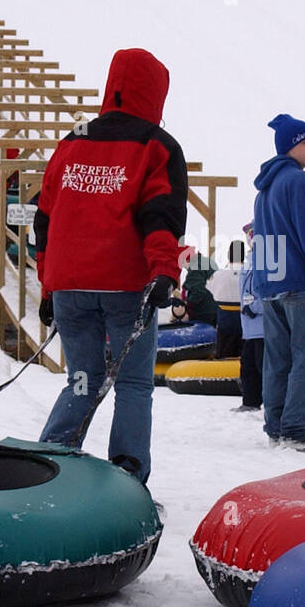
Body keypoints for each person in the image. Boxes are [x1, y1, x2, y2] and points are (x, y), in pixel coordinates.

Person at [35, 47, 188, 485]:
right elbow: (160, 215)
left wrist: (49, 287)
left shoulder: (73, 141)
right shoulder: (157, 146)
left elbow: (47, 216)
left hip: (70, 284)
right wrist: (164, 272)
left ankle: (48, 469)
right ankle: (127, 481)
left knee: (82, 379)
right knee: (134, 385)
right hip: (125, 286)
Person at [252, 114, 305, 450]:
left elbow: (265, 239)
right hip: (302, 285)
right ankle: (299, 427)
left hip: (273, 286)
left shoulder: (265, 190)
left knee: (278, 359)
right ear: (290, 146)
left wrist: (268, 282)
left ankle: (276, 423)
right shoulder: (301, 183)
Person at [237, 222, 264, 410]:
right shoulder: (251, 260)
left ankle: (271, 403)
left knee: (264, 367)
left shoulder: (267, 259)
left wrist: (255, 307)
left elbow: (270, 291)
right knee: (248, 366)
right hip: (250, 326)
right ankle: (250, 401)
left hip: (263, 325)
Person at [207, 241, 245, 358]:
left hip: (225, 321)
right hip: (245, 322)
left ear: (229, 255)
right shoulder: (249, 274)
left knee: (224, 357)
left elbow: (210, 290)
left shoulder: (218, 275)